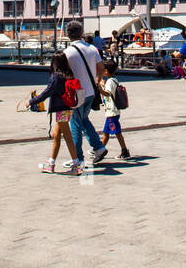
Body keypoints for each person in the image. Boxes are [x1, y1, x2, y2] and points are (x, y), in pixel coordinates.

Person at [28, 52, 82, 175]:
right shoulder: (68, 74)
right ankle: (51, 164)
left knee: (67, 136)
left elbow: (46, 93)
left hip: (60, 108)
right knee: (56, 135)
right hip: (68, 107)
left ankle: (77, 165)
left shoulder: (56, 77)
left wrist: (31, 102)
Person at [63, 21, 109, 165]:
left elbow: (62, 74)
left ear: (67, 34)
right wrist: (97, 80)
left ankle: (77, 158)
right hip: (90, 91)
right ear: (82, 33)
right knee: (83, 120)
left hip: (76, 93)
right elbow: (101, 67)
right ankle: (99, 147)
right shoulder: (92, 49)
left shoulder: (67, 52)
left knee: (75, 124)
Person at [99, 59, 130, 159]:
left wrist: (99, 89)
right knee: (106, 133)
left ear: (106, 71)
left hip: (111, 112)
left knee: (117, 132)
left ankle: (124, 150)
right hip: (113, 111)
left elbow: (108, 93)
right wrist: (103, 85)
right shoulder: (114, 80)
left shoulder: (109, 82)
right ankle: (100, 149)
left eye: (103, 70)